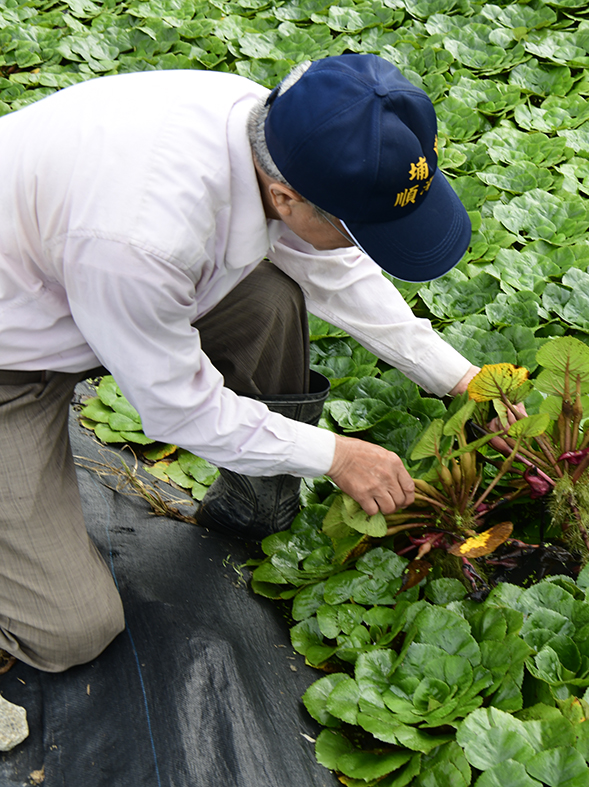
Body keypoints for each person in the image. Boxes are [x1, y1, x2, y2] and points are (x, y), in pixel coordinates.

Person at [0, 54, 481, 673]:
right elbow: (179, 409)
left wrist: (464, 381)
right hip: (14, 359)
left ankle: (254, 510)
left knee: (270, 302)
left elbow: (336, 268)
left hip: (80, 287)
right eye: (360, 230)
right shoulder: (143, 235)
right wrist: (336, 455)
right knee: (71, 633)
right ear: (284, 197)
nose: (364, 248)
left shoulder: (284, 130)